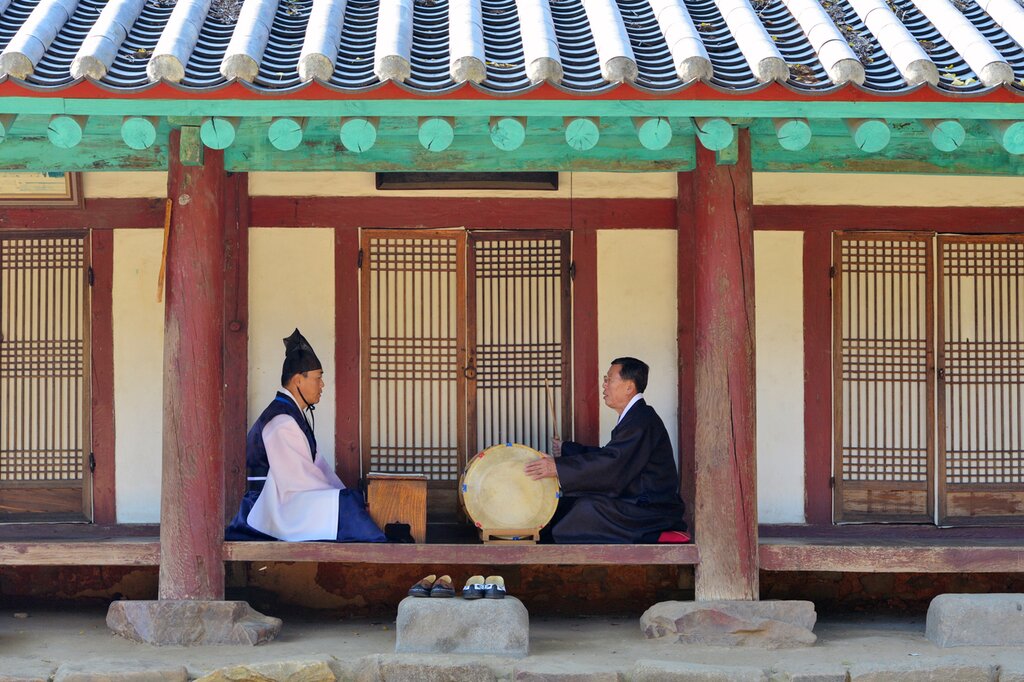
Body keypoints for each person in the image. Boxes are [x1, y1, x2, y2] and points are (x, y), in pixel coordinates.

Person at [226, 329, 386, 542]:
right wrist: (338, 497)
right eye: (318, 378)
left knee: (348, 502)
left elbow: (317, 467)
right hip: (269, 507)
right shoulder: (281, 421)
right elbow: (298, 479)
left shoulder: (292, 415)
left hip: (286, 499)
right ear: (298, 381)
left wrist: (340, 492)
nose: (322, 385)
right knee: (346, 508)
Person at [524, 357, 685, 544]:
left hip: (649, 510)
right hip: (636, 501)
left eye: (609, 379)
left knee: (585, 508)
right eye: (605, 379)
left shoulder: (641, 420)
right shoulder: (636, 417)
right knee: (568, 503)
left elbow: (612, 463)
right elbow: (610, 456)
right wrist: (566, 450)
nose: (604, 385)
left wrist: (558, 467)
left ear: (629, 387)